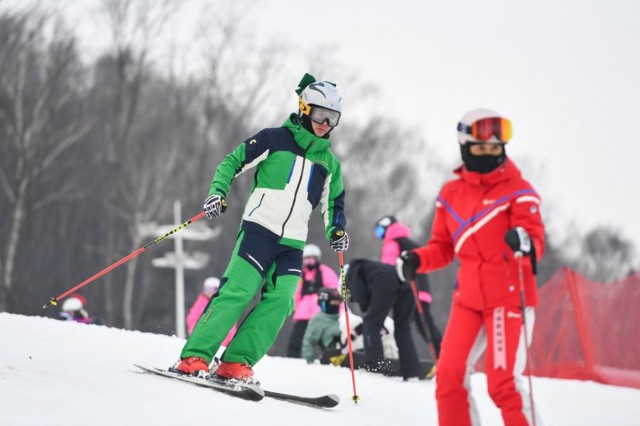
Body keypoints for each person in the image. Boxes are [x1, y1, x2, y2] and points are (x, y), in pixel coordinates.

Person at [173, 73, 349, 384]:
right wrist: (218, 191)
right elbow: (232, 161)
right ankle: (194, 356)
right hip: (259, 231)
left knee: (281, 301)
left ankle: (235, 362)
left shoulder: (329, 164)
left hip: (292, 244)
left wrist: (336, 230)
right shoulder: (274, 139)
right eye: (321, 114)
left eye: (333, 117)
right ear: (304, 109)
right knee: (238, 292)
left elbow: (335, 203)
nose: (326, 123)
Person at [396, 108, 545, 426]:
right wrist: (418, 259)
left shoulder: (518, 191)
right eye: (480, 149)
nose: (490, 154)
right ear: (465, 148)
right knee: (449, 377)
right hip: (469, 299)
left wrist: (524, 242)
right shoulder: (451, 194)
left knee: (502, 382)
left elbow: (535, 241)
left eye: (496, 149)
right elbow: (443, 246)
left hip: (508, 299)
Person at [374, 215, 443, 362]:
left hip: (409, 290)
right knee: (424, 324)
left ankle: (440, 358)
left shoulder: (392, 244)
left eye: (380, 231)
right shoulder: (410, 243)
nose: (380, 236)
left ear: (387, 227)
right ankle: (442, 356)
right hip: (421, 289)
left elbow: (389, 267)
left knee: (406, 325)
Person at [345, 258, 422, 380]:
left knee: (371, 324)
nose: (351, 298)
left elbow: (362, 298)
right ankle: (411, 372)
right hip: (408, 282)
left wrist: (365, 309)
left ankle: (375, 367)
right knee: (403, 328)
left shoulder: (350, 273)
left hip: (386, 281)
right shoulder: (367, 269)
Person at [287, 243, 339, 358]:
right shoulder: (301, 275)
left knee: (325, 339)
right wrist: (291, 309)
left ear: (317, 259)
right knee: (295, 340)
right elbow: (295, 293)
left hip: (319, 313)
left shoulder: (325, 272)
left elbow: (334, 291)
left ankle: (330, 359)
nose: (309, 262)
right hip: (302, 314)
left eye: (312, 259)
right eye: (307, 259)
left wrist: (335, 310)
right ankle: (292, 360)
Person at [186, 277, 236, 347]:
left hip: (222, 344)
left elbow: (229, 322)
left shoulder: (222, 304)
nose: (211, 293)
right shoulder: (201, 303)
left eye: (214, 289)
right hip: (203, 340)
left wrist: (229, 339)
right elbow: (192, 318)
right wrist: (195, 333)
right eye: (208, 289)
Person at [301, 287, 342, 364]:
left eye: (337, 303)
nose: (335, 306)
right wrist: (310, 360)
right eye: (333, 303)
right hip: (336, 354)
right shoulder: (318, 320)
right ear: (324, 304)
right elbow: (308, 341)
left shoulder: (343, 317)